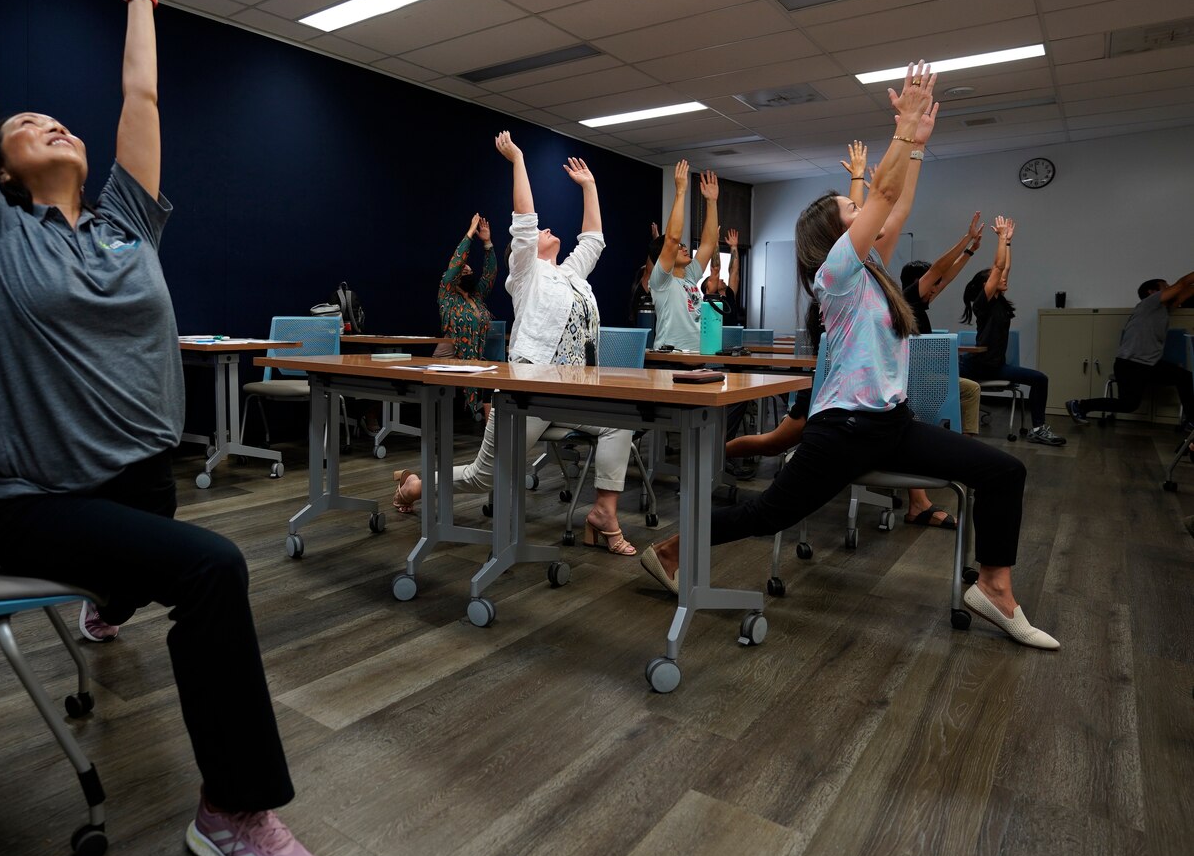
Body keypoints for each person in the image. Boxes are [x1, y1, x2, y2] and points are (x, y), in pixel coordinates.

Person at [0, 0, 324, 856]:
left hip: (132, 474)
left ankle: (107, 599)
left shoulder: (123, 227)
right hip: (33, 499)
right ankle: (232, 811)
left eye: (53, 116)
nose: (43, 120)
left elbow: (139, 107)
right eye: (22, 124)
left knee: (150, 509)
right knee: (211, 568)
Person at [640, 62, 1059, 651]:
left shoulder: (874, 274)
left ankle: (994, 587)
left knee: (1003, 471)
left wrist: (916, 152)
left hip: (891, 422)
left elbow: (898, 204)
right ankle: (673, 548)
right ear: (834, 236)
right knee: (767, 516)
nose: (866, 214)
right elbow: (883, 195)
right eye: (850, 210)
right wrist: (905, 132)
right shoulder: (836, 275)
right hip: (842, 429)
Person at [393, 134, 639, 555]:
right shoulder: (525, 274)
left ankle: (602, 513)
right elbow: (525, 221)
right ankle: (416, 484)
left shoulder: (571, 275)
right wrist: (518, 160)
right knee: (482, 476)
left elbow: (594, 240)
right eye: (541, 233)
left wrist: (590, 186)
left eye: (546, 230)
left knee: (621, 419)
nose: (546, 230)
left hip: (574, 391)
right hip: (531, 393)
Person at [894, 211, 988, 526]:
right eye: (932, 285)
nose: (937, 289)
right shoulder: (907, 298)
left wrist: (971, 251)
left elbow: (946, 276)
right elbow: (938, 271)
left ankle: (965, 453)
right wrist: (964, 238)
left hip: (921, 379)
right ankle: (949, 464)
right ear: (918, 284)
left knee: (969, 388)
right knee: (929, 411)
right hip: (909, 383)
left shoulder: (919, 302)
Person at [959, 220, 1067, 446]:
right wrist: (1000, 239)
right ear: (986, 285)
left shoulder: (999, 303)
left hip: (995, 365)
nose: (1004, 278)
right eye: (996, 278)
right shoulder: (983, 303)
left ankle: (1038, 429)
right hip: (976, 365)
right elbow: (998, 267)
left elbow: (1004, 268)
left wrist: (1008, 242)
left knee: (1039, 380)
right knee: (940, 377)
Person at [1067, 272, 1194, 431]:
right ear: (1152, 292)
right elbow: (1182, 284)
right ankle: (1079, 405)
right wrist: (1180, 286)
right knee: (1128, 405)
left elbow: (1187, 290)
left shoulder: (1163, 310)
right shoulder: (1150, 303)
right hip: (1131, 365)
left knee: (1185, 377)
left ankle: (1191, 421)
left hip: (1149, 365)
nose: (1171, 288)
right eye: (1166, 286)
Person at [650, 161, 720, 350]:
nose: (684, 247)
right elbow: (672, 238)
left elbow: (708, 243)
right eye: (679, 247)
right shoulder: (662, 281)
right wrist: (681, 191)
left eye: (684, 245)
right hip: (671, 360)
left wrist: (712, 202)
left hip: (697, 357)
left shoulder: (689, 276)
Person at [436, 213, 497, 419]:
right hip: (450, 360)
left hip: (475, 360)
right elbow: (456, 263)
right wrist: (470, 233)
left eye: (470, 270)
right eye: (465, 270)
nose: (468, 271)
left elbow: (489, 274)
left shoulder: (476, 296)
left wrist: (487, 243)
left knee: (495, 375)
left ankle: (491, 430)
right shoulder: (447, 296)